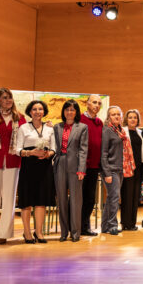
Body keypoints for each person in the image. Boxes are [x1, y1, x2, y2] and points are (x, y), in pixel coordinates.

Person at [0, 88, 26, 244]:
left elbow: (27, 135)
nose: (8, 100)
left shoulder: (19, 118)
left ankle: (4, 233)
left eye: (10, 97)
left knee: (9, 198)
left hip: (13, 162)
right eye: (4, 97)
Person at [15, 100, 56, 243]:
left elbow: (54, 148)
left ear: (44, 111)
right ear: (30, 112)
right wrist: (31, 153)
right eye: (34, 109)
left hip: (44, 167)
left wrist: (48, 154)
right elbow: (17, 150)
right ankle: (27, 233)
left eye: (40, 109)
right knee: (27, 201)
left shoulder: (50, 128)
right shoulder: (23, 128)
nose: (37, 111)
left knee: (41, 201)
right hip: (28, 166)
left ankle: (39, 232)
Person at [53, 100, 88, 241]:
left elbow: (83, 149)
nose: (69, 112)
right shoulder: (57, 127)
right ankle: (63, 232)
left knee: (75, 200)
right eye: (67, 109)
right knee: (61, 199)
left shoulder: (82, 127)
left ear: (76, 112)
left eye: (72, 110)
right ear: (63, 112)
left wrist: (81, 169)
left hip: (75, 166)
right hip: (60, 163)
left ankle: (75, 232)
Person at [101, 106, 136, 235]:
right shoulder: (107, 131)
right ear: (108, 117)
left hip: (121, 168)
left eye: (118, 114)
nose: (116, 116)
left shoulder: (120, 130)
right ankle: (112, 225)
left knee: (112, 198)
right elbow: (103, 153)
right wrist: (107, 173)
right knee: (115, 197)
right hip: (111, 169)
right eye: (113, 114)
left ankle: (105, 226)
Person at [80, 94, 104, 236]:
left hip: (94, 166)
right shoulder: (80, 120)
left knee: (90, 198)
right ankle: (75, 225)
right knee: (79, 197)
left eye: (99, 103)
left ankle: (85, 226)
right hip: (81, 167)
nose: (97, 105)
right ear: (87, 103)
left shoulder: (99, 122)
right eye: (94, 102)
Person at [121, 109, 143, 231]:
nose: (133, 119)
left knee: (135, 195)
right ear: (126, 119)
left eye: (135, 117)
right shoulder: (122, 131)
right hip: (127, 167)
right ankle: (126, 223)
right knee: (127, 194)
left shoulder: (140, 132)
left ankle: (132, 223)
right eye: (130, 117)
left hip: (138, 167)